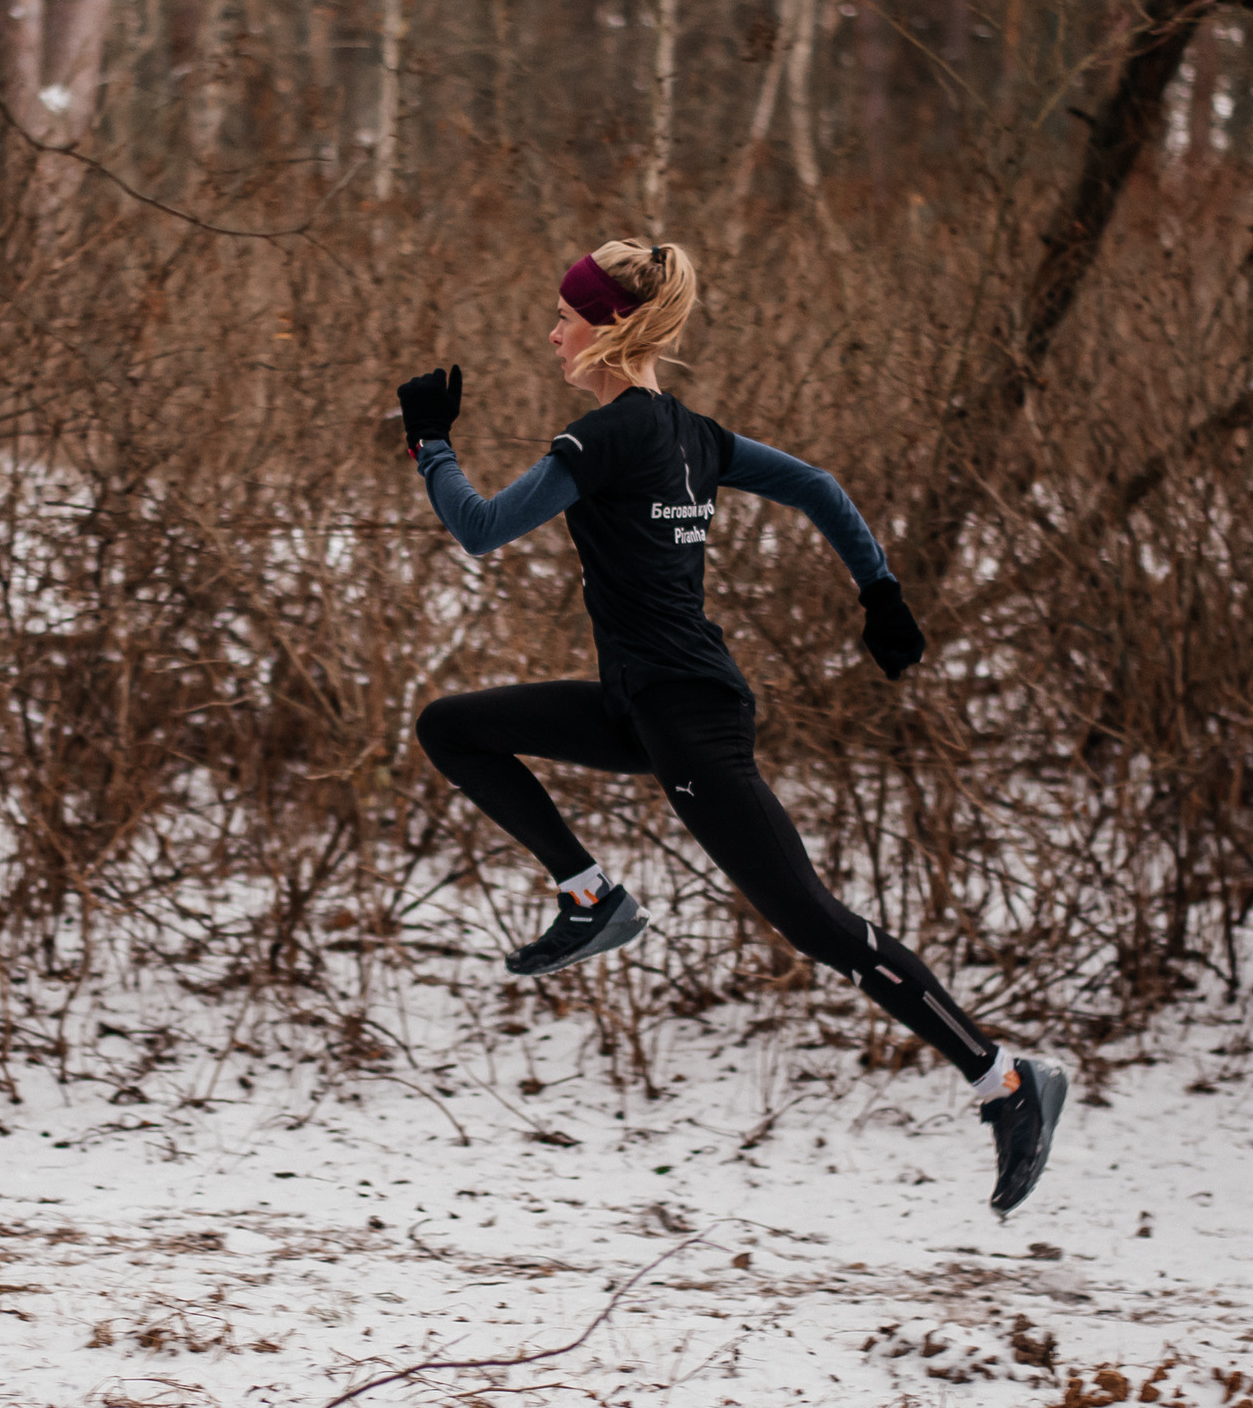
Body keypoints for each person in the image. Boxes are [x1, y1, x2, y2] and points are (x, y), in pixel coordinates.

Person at [395, 238, 1066, 1216]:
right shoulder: (692, 436)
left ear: (610, 329)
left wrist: (430, 443)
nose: (553, 332)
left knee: (818, 925)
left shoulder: (603, 439)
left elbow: (482, 527)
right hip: (647, 706)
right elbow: (819, 485)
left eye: (567, 317)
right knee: (452, 726)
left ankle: (1004, 1080)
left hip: (686, 723)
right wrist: (878, 590)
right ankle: (590, 899)